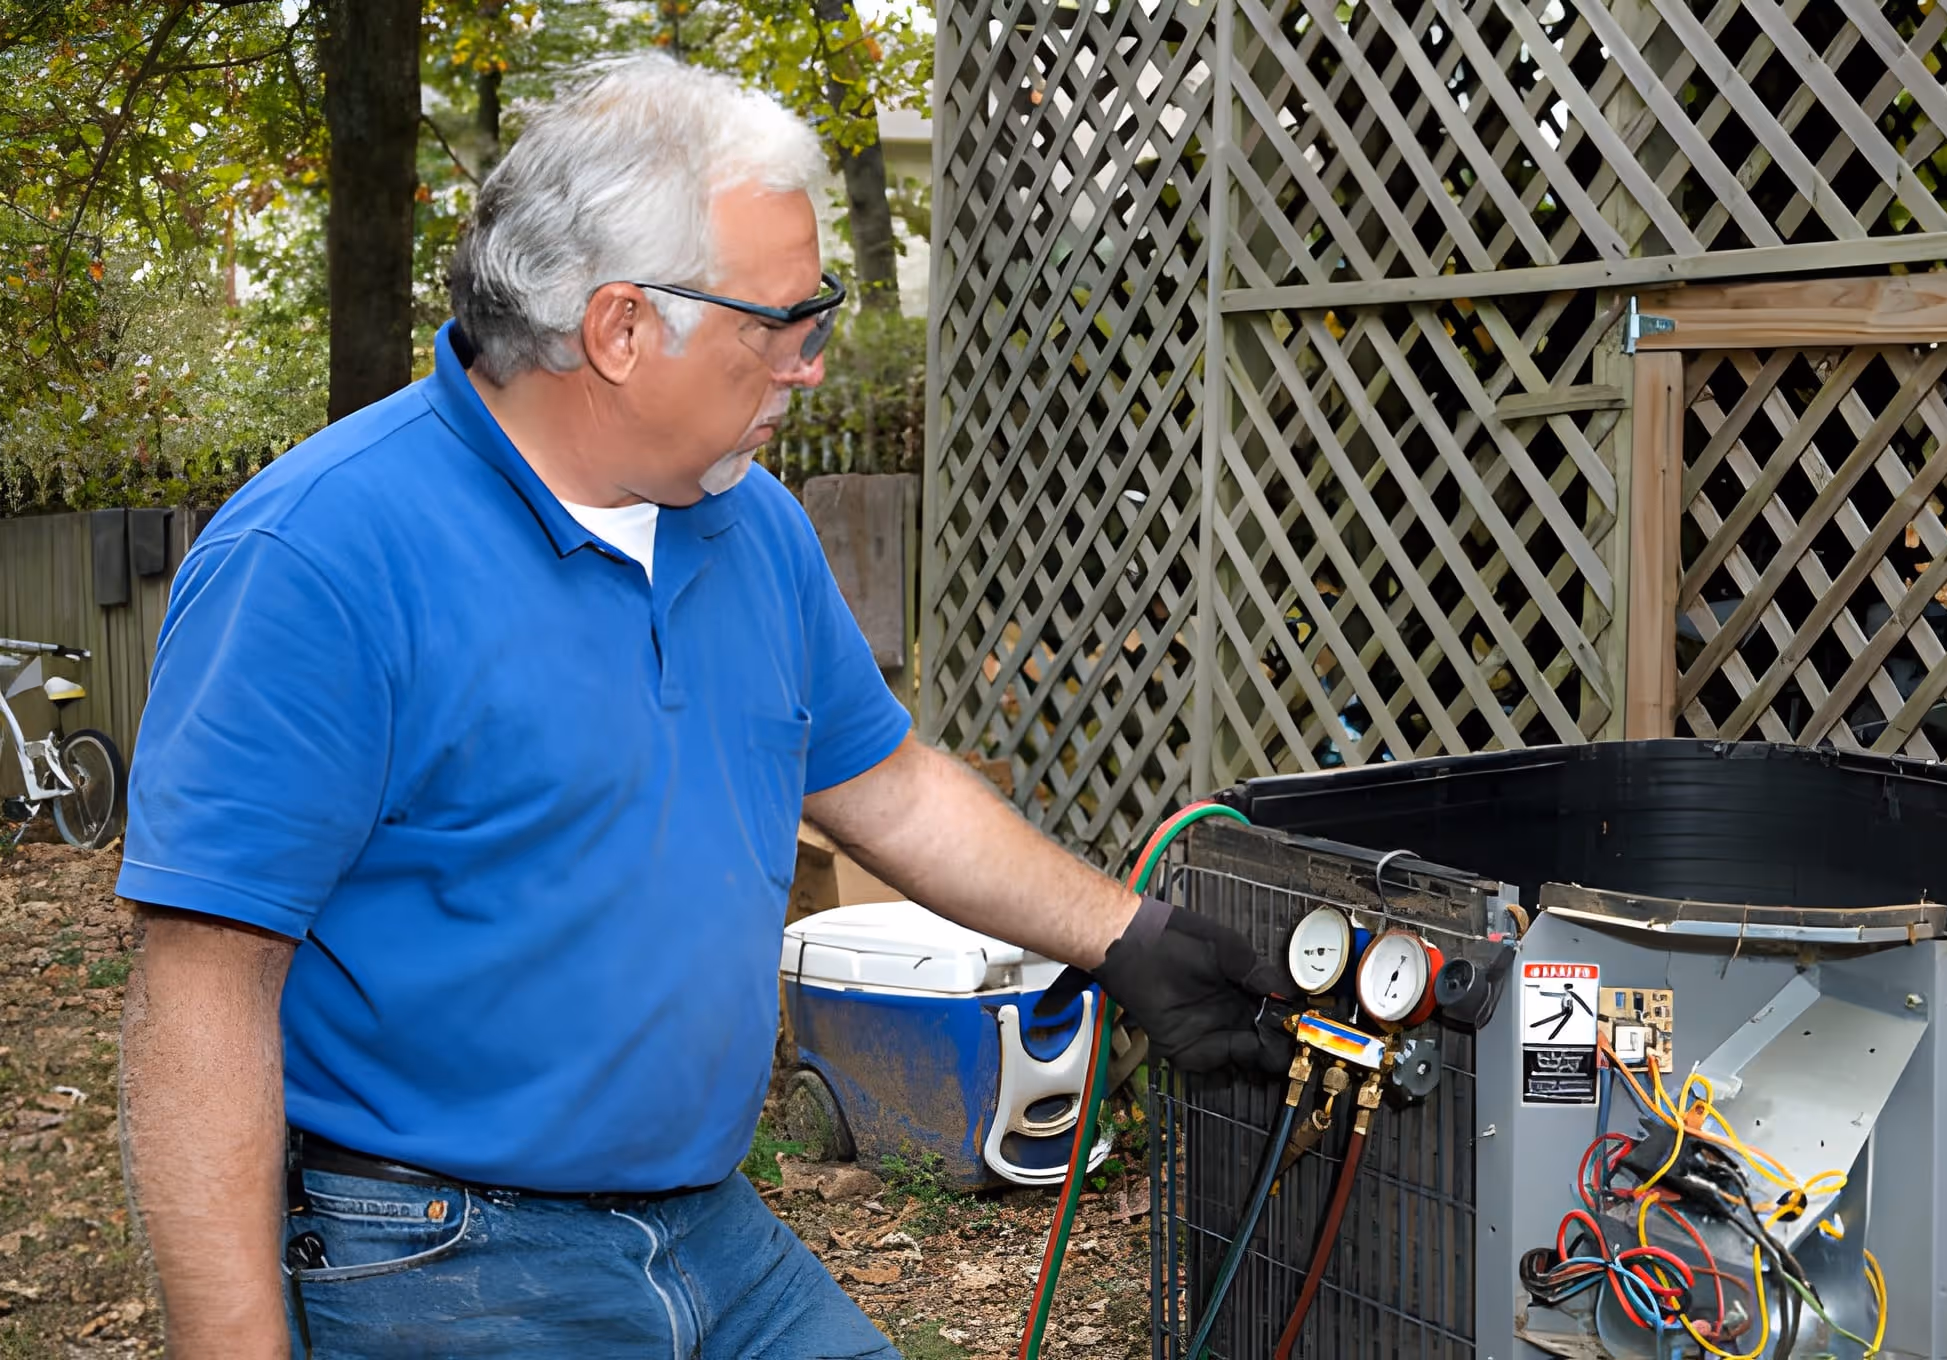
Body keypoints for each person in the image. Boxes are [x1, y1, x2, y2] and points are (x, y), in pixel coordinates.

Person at [116, 57, 1292, 1360]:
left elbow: (889, 787)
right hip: (440, 1256)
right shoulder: (319, 559)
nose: (811, 364)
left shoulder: (750, 525)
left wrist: (1125, 936)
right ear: (621, 329)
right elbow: (203, 994)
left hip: (708, 1228)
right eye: (782, 322)